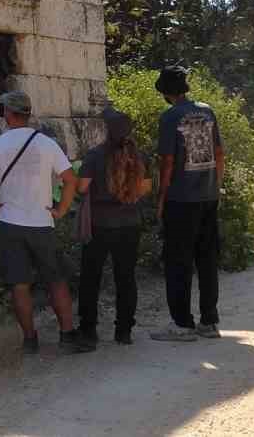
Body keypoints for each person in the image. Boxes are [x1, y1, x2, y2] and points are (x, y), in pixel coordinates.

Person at [0, 90, 94, 355]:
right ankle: (67, 336)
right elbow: (70, 180)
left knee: (19, 284)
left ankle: (29, 340)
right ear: (27, 113)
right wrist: (60, 209)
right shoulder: (46, 144)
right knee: (56, 280)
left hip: (9, 223)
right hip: (41, 222)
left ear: (7, 114)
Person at [151, 66, 224, 342]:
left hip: (181, 200)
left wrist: (161, 198)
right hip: (208, 197)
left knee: (178, 261)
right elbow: (219, 153)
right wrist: (215, 187)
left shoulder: (170, 117)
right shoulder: (207, 111)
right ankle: (209, 321)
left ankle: (182, 324)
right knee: (207, 259)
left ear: (165, 92)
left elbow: (168, 161)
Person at [72, 106, 150, 347]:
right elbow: (145, 190)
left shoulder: (95, 156)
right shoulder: (140, 156)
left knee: (91, 278)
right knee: (126, 277)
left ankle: (88, 331)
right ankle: (124, 331)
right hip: (130, 224)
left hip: (99, 224)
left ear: (107, 131)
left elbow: (82, 188)